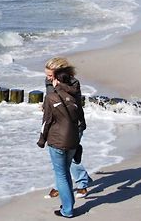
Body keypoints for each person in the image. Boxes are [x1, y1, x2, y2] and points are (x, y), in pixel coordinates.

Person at [37, 65, 86, 218]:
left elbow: (47, 121)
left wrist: (41, 140)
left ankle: (68, 209)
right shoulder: (73, 94)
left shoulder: (51, 97)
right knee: (65, 171)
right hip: (73, 137)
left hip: (57, 139)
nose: (48, 79)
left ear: (57, 78)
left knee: (62, 175)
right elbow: (80, 115)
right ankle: (69, 202)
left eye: (50, 76)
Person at [44, 57, 92, 199]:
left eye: (50, 75)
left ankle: (81, 183)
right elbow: (51, 99)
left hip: (74, 124)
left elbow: (71, 101)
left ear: (60, 73)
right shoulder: (49, 82)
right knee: (61, 157)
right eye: (46, 75)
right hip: (57, 124)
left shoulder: (73, 83)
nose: (47, 78)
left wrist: (59, 86)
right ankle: (67, 184)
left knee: (67, 157)